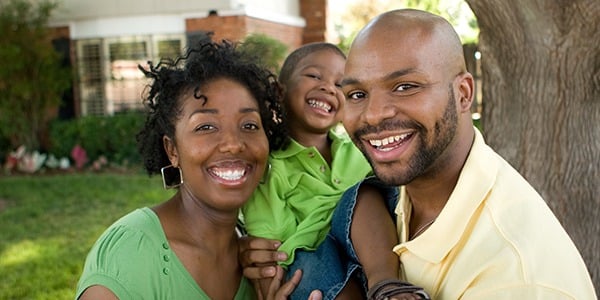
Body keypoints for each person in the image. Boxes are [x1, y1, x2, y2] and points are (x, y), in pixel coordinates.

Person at [331, 8, 597, 299]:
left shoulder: (515, 279)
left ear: (463, 94)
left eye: (405, 87)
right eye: (357, 94)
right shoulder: (401, 193)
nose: (373, 115)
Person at [75, 40, 302, 299]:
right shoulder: (132, 255)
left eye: (249, 125)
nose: (234, 144)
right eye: (206, 127)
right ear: (172, 150)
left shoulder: (258, 262)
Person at [240, 42, 373, 299]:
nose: (327, 87)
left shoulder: (359, 151)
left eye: (340, 84)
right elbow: (273, 249)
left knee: (366, 197)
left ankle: (387, 283)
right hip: (315, 263)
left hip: (368, 252)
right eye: (314, 76)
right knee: (308, 266)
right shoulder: (271, 165)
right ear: (280, 92)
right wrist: (270, 290)